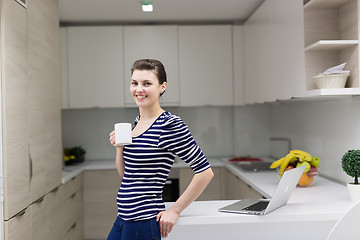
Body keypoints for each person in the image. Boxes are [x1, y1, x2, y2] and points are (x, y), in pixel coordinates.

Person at [108, 59, 214, 240]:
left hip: (143, 220)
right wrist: (119, 148)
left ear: (162, 87)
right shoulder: (137, 123)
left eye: (147, 83)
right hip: (124, 217)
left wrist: (175, 210)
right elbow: (127, 176)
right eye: (134, 83)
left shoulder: (169, 124)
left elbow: (205, 172)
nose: (138, 89)